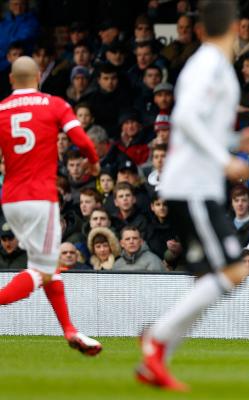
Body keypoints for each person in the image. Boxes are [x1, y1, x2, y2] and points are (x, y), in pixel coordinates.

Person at [136, 1, 249, 390]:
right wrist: (225, 158)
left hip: (192, 184)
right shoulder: (210, 66)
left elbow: (195, 126)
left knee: (214, 278)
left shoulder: (206, 64)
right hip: (192, 186)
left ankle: (156, 359)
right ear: (238, 27)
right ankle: (156, 339)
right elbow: (185, 119)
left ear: (199, 29)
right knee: (231, 271)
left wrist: (234, 139)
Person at [0, 56, 102, 355]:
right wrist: (94, 165)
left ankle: (70, 330)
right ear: (38, 77)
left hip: (11, 199)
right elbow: (81, 140)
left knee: (47, 266)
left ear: (11, 81)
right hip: (40, 197)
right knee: (41, 270)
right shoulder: (54, 104)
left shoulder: (1, 109)